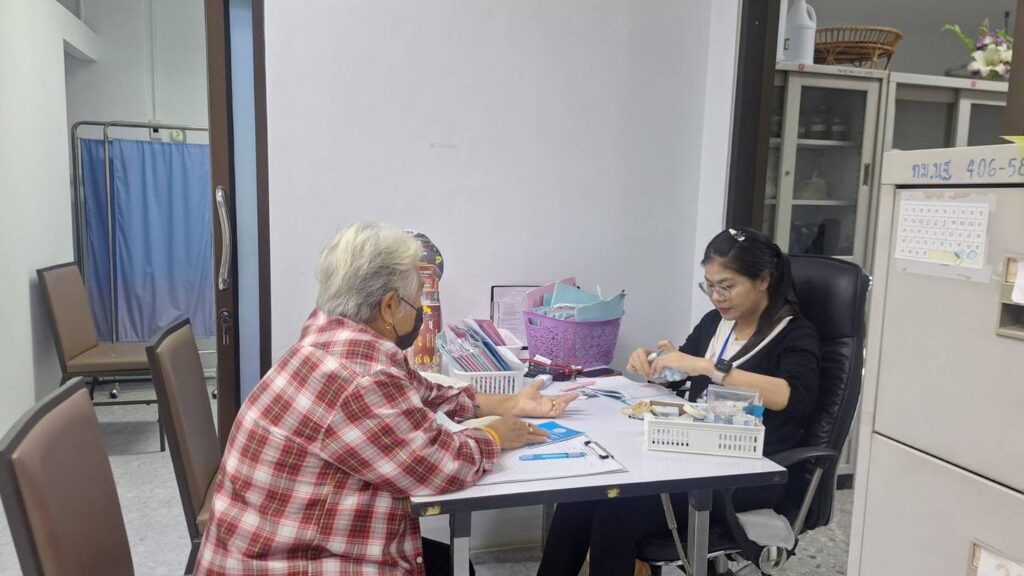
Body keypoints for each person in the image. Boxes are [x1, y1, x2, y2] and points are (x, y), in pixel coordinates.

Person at [194, 222, 579, 576]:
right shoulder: (360, 378)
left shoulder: (335, 339)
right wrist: (497, 435)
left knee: (453, 565)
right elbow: (443, 467)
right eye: (417, 303)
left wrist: (512, 404)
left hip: (284, 545)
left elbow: (425, 392)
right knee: (454, 567)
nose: (422, 312)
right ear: (390, 306)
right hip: (295, 562)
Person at [537, 227, 820, 576]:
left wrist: (708, 367)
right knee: (580, 497)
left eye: (727, 286)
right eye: (709, 286)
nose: (717, 297)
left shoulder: (794, 333)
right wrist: (657, 364)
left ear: (763, 280)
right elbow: (683, 369)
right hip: (695, 455)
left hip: (747, 474)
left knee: (615, 515)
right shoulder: (717, 323)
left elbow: (792, 396)